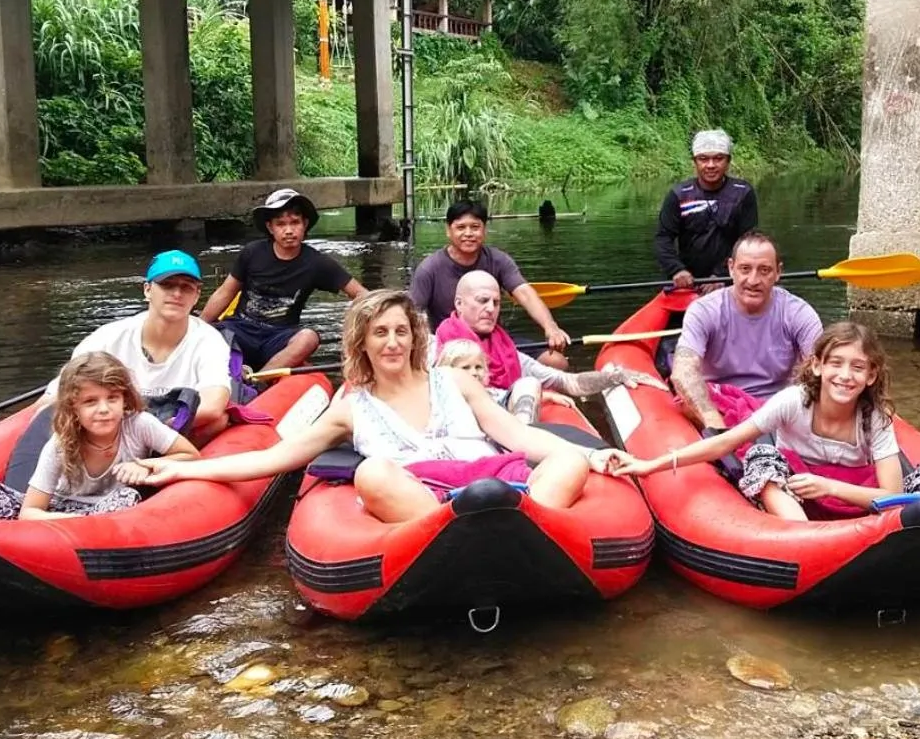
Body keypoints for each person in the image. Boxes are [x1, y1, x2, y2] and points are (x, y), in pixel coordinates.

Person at [133, 290, 633, 525]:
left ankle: (525, 534)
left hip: (494, 485)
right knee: (372, 474)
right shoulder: (350, 409)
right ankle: (456, 537)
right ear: (363, 344)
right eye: (380, 333)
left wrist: (590, 456)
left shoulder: (457, 381)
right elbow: (271, 460)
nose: (392, 342)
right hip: (423, 502)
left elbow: (520, 437)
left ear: (415, 337)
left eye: (400, 331)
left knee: (567, 458)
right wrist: (181, 473)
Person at [614, 322, 920, 520]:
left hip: (851, 494)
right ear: (818, 366)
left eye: (857, 367)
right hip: (796, 492)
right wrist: (651, 465)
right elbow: (724, 442)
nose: (845, 376)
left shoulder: (875, 418)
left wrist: (830, 487)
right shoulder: (794, 401)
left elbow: (892, 495)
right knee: (762, 459)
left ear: (871, 375)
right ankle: (801, 535)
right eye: (836, 363)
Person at [0, 352, 200, 520]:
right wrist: (78, 521)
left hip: (112, 508)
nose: (103, 409)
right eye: (90, 401)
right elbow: (31, 511)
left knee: (127, 498)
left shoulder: (139, 424)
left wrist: (144, 467)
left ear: (124, 400)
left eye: (112, 398)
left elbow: (190, 455)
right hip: (60, 509)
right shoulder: (62, 443)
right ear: (74, 408)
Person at [46, 250, 233, 442]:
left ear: (196, 296)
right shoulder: (109, 336)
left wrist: (150, 431)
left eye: (186, 287)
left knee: (218, 422)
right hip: (109, 431)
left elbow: (213, 405)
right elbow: (58, 394)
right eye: (167, 285)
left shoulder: (209, 340)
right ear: (147, 290)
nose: (177, 294)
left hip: (171, 431)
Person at [433, 271, 660, 419]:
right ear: (459, 304)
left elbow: (566, 382)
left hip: (507, 426)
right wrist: (535, 395)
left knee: (535, 380)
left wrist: (613, 377)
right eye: (483, 301)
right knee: (529, 385)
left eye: (496, 302)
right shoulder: (435, 353)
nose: (491, 309)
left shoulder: (506, 351)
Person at [670, 232, 824, 432]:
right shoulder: (704, 310)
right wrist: (712, 420)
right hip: (719, 404)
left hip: (777, 408)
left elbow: (822, 370)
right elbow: (683, 370)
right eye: (745, 269)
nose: (753, 280)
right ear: (731, 268)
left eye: (764, 270)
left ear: (778, 272)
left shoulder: (799, 313)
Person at [201, 189, 367, 371]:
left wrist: (364, 332)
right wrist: (196, 329)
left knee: (308, 338)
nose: (289, 231)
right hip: (241, 330)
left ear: (305, 224)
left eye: (295, 223)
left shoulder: (317, 263)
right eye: (280, 224)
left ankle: (260, 380)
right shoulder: (252, 253)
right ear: (270, 228)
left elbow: (361, 295)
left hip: (279, 337)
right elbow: (225, 292)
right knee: (211, 333)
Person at [408, 199, 569, 366]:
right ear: (448, 230)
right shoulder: (429, 268)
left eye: (475, 227)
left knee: (557, 362)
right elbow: (412, 314)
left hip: (494, 338)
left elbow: (525, 294)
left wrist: (551, 327)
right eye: (461, 227)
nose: (468, 233)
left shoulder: (498, 260)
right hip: (451, 344)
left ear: (484, 230)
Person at [655, 129, 759, 291]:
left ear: (728, 161)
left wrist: (721, 275)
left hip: (731, 279)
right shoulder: (679, 194)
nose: (711, 165)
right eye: (703, 159)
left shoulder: (743, 193)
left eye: (718, 158)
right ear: (695, 162)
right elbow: (663, 238)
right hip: (687, 281)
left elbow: (748, 241)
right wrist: (676, 269)